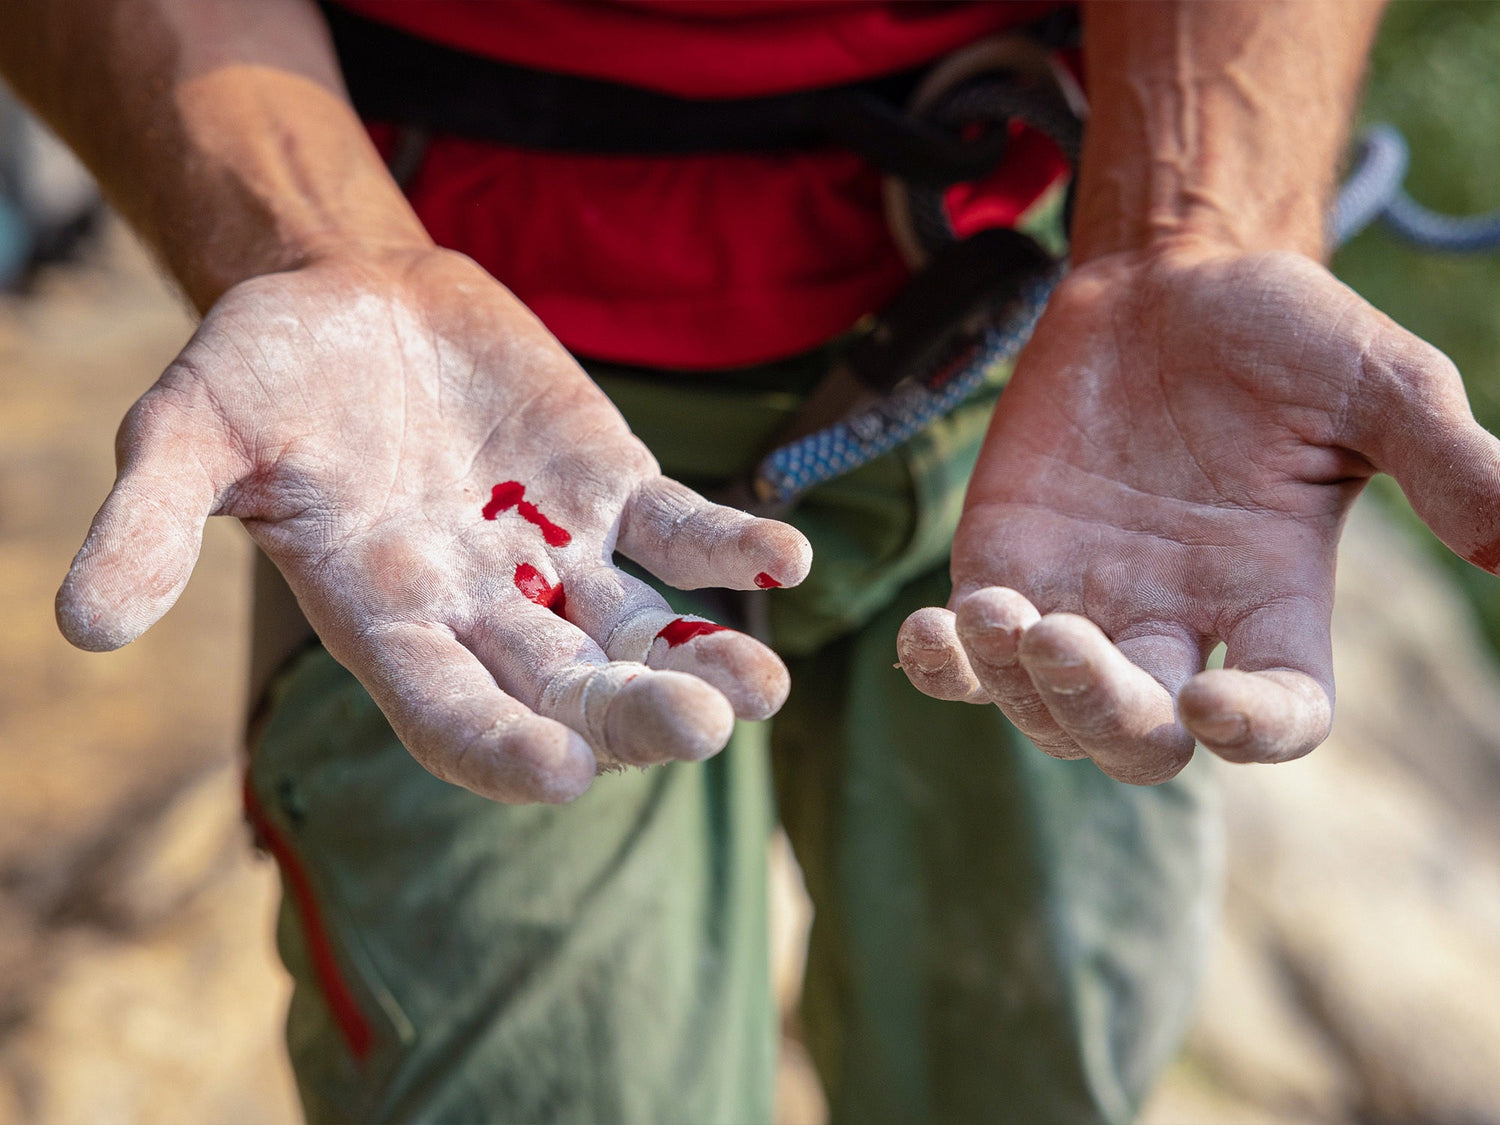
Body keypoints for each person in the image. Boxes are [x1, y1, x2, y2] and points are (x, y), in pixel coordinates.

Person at [5, 0, 1498, 1121]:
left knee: (1040, 1045)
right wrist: (306, 243)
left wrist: (1199, 217)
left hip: (1055, 325)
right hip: (443, 376)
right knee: (537, 1079)